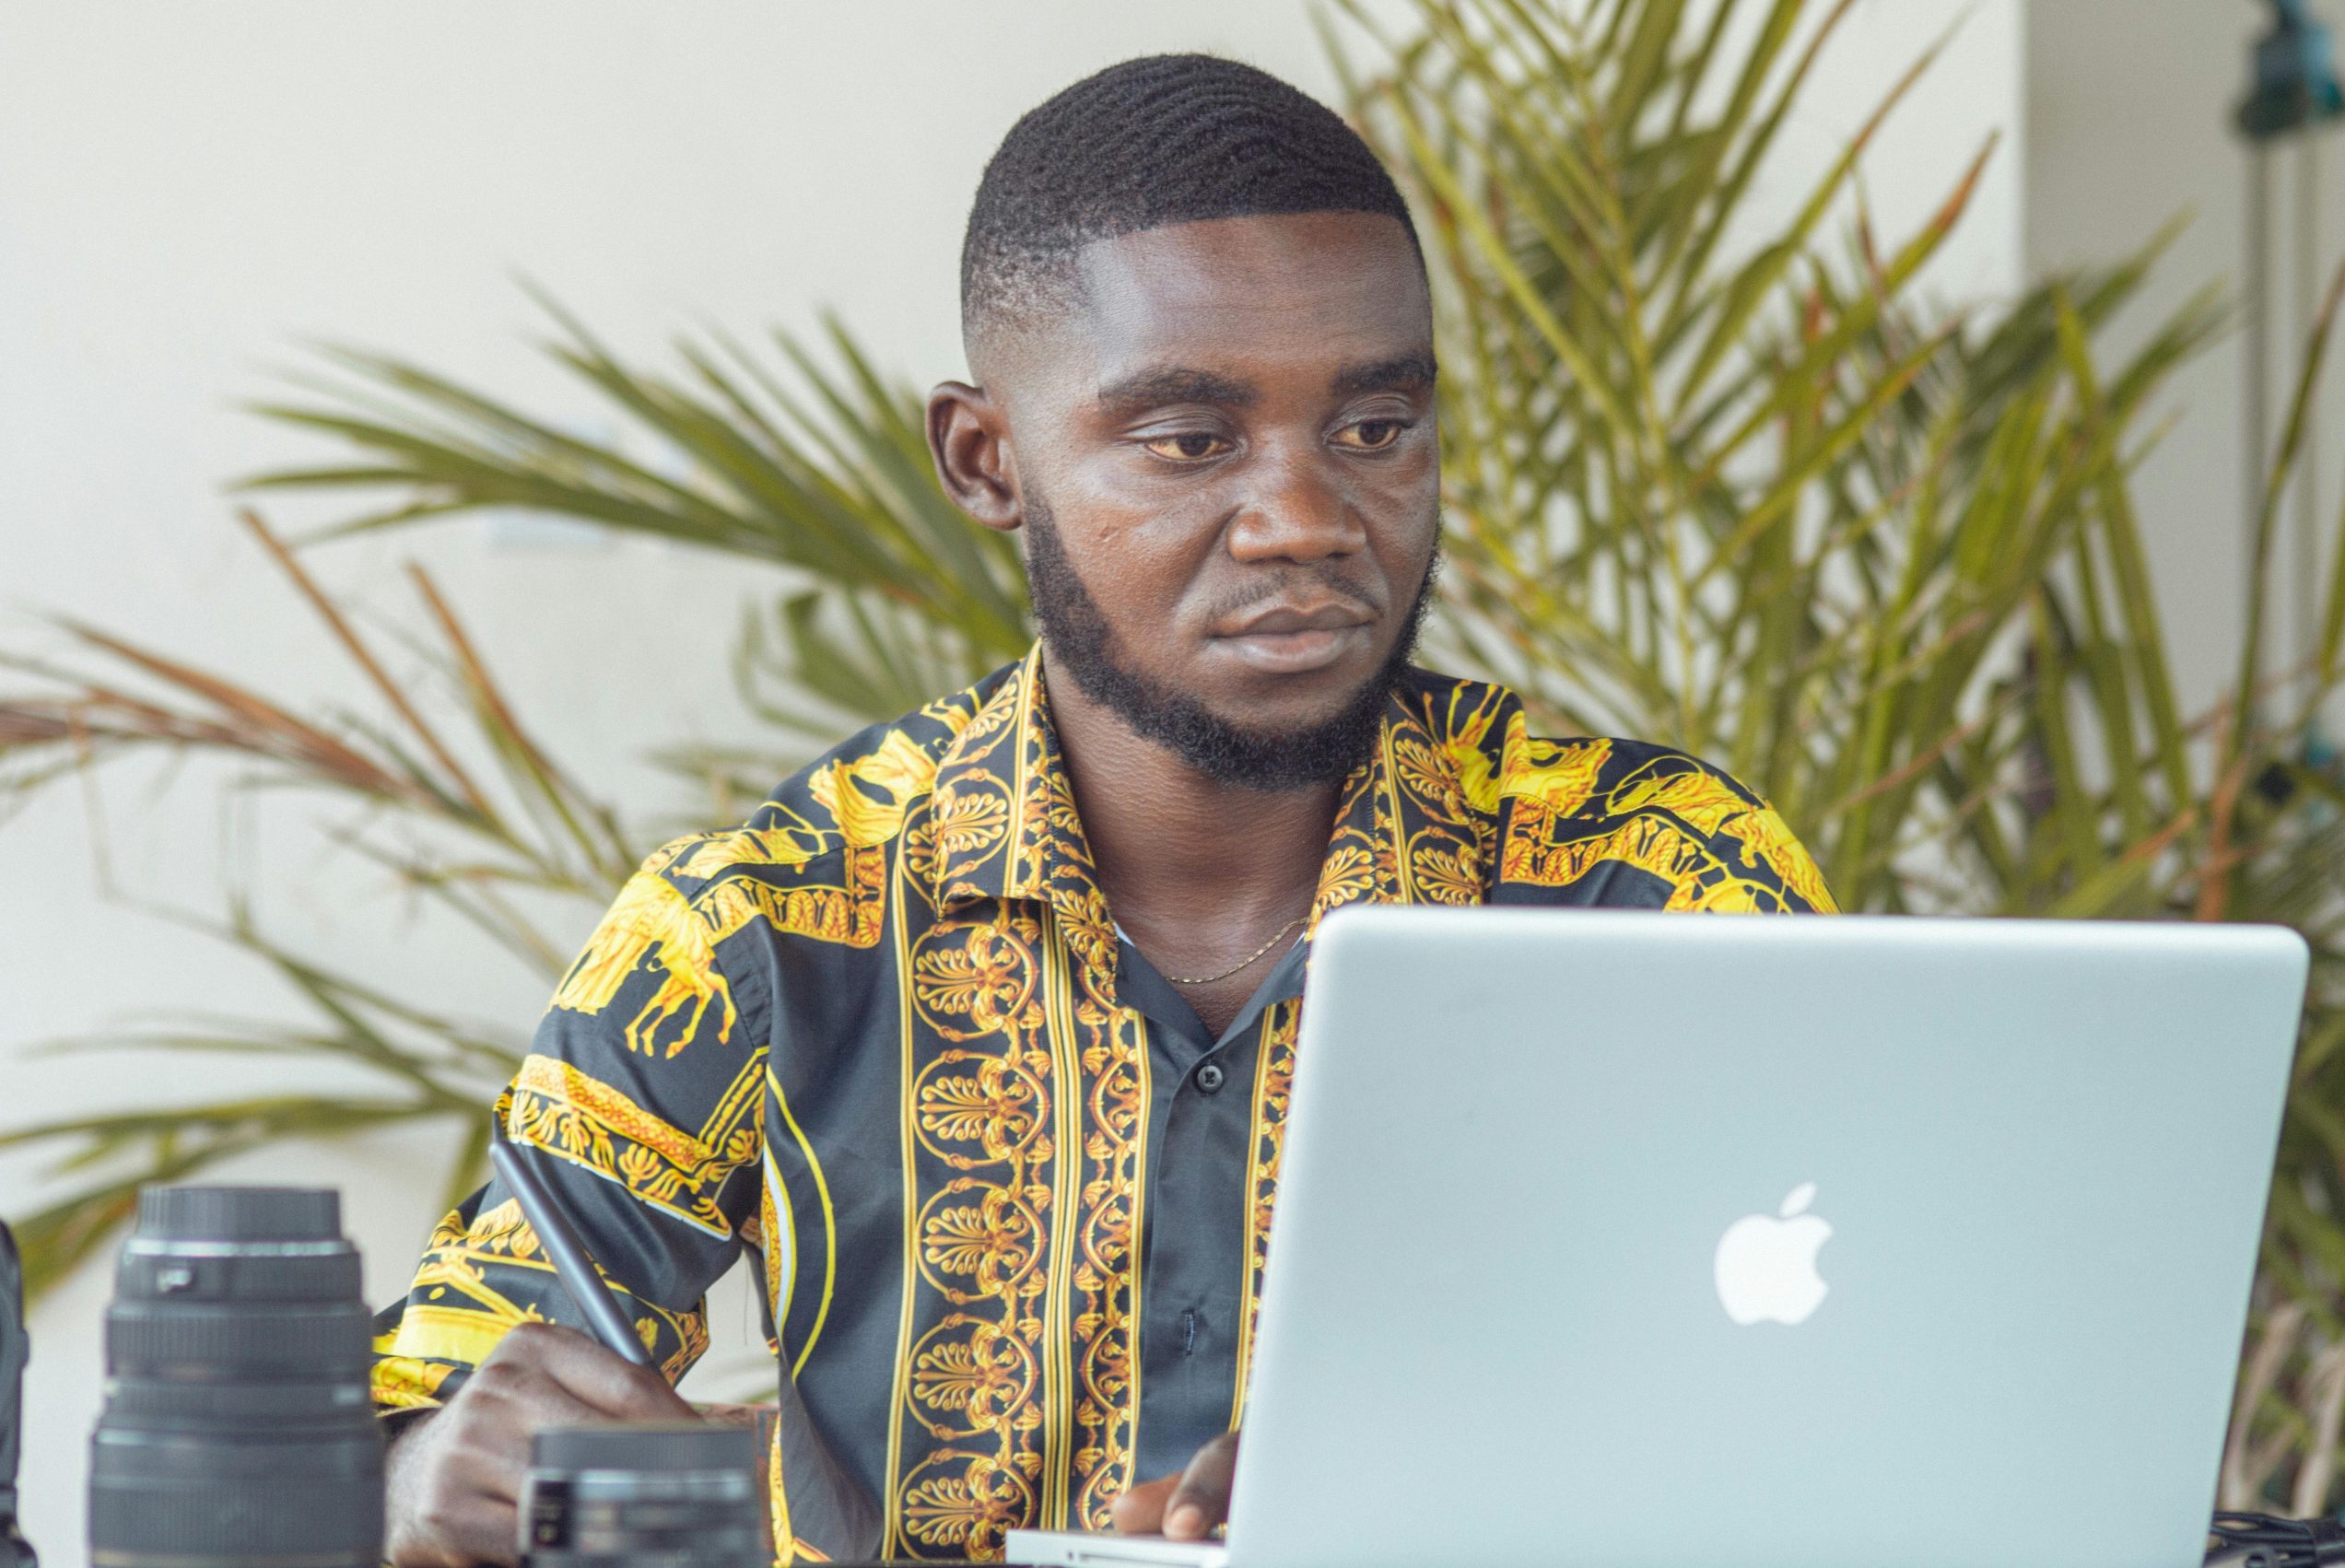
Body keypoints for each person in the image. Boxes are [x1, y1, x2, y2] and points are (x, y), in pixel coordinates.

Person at [372, 52, 1835, 1567]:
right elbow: (435, 1402)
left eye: (1378, 428)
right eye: (1192, 440)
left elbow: (1859, 1381)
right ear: (987, 460)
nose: (1307, 518)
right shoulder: (763, 925)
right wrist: (424, 1475)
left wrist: (1472, 1485)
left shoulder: (1662, 889)